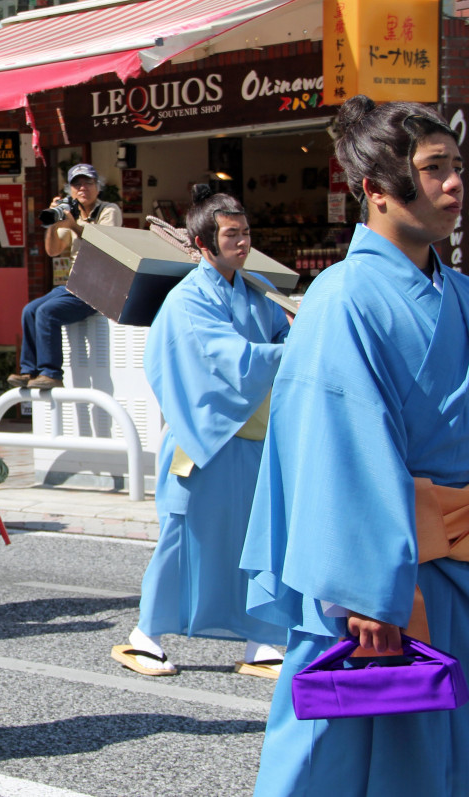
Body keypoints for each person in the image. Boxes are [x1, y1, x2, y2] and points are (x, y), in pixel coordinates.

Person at [241, 98, 469, 795]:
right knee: (342, 759)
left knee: (440, 757)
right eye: (433, 170)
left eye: (458, 167)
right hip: (381, 578)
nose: (454, 184)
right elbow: (335, 447)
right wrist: (366, 587)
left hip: (454, 569)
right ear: (373, 188)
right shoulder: (343, 300)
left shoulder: (457, 291)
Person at [110, 187, 290, 679]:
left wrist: (299, 331)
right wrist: (289, 352)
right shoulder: (187, 299)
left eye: (246, 232)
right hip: (202, 437)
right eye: (231, 234)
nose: (242, 243)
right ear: (202, 242)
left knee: (255, 538)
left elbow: (279, 336)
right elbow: (228, 357)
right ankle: (145, 635)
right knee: (182, 534)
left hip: (251, 437)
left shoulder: (254, 292)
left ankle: (262, 639)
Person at [8, 163, 119, 390]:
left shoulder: (109, 210)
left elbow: (107, 243)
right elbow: (53, 250)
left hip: (98, 287)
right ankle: (29, 370)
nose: (82, 188)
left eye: (87, 182)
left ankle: (51, 373)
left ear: (98, 186)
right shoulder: (71, 214)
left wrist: (74, 226)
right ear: (70, 189)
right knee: (29, 310)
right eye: (76, 184)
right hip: (75, 284)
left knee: (48, 312)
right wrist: (52, 223)